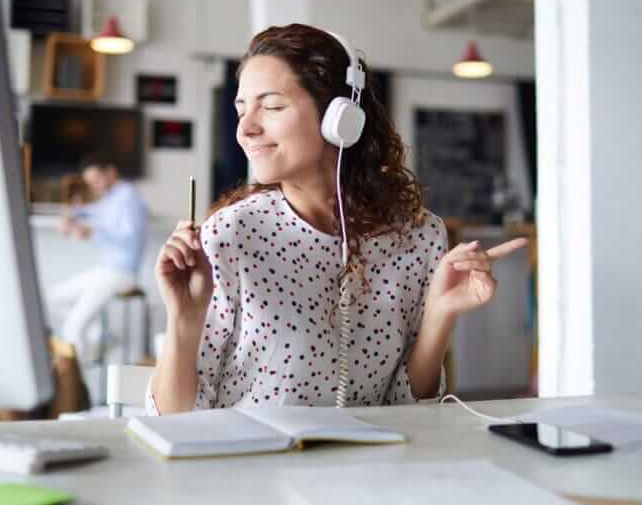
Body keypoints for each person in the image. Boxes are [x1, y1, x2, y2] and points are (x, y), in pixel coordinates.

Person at [150, 24, 526, 414]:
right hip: (249, 467)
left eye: (273, 106)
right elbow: (176, 420)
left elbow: (408, 409)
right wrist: (182, 320)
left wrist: (439, 316)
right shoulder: (231, 234)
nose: (245, 129)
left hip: (368, 468)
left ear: (340, 118)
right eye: (241, 109)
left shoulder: (420, 237)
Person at [45, 153, 149, 358]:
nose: (94, 186)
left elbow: (129, 239)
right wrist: (73, 215)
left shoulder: (128, 197)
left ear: (111, 173)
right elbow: (91, 211)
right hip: (105, 271)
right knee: (49, 299)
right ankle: (99, 335)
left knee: (74, 326)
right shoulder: (112, 198)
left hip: (121, 274)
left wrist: (91, 233)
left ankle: (77, 386)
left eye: (96, 180)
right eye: (90, 182)